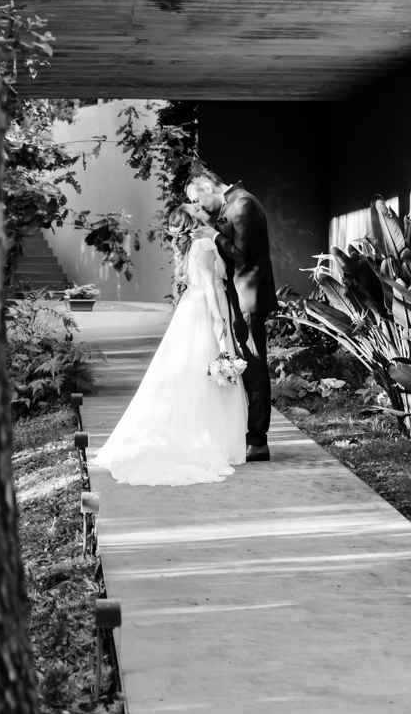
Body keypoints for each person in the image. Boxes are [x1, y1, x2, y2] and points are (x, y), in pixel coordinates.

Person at [93, 205, 247, 486]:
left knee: (198, 366)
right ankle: (206, 436)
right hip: (205, 307)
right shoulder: (202, 245)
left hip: (194, 304)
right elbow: (211, 285)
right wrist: (218, 319)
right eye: (196, 208)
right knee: (206, 365)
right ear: (194, 220)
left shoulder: (196, 244)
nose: (203, 210)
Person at [187, 168, 277, 462]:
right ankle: (250, 436)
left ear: (206, 186)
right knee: (247, 365)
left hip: (248, 297)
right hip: (237, 299)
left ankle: (258, 442)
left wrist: (213, 235)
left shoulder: (243, 204)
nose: (198, 208)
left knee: (254, 365)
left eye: (197, 201)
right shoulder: (230, 205)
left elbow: (243, 255)